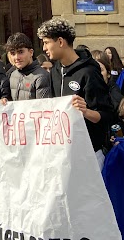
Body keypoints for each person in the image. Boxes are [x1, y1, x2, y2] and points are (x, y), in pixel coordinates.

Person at [41, 17, 114, 155]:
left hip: (89, 153)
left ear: (60, 41)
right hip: (63, 151)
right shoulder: (55, 70)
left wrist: (85, 112)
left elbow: (107, 115)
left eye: (46, 43)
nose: (44, 48)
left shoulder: (89, 72)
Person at [3, 32, 52, 101]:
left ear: (31, 52)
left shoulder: (41, 77)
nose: (17, 57)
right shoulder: (12, 74)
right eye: (13, 53)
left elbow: (43, 105)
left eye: (20, 52)